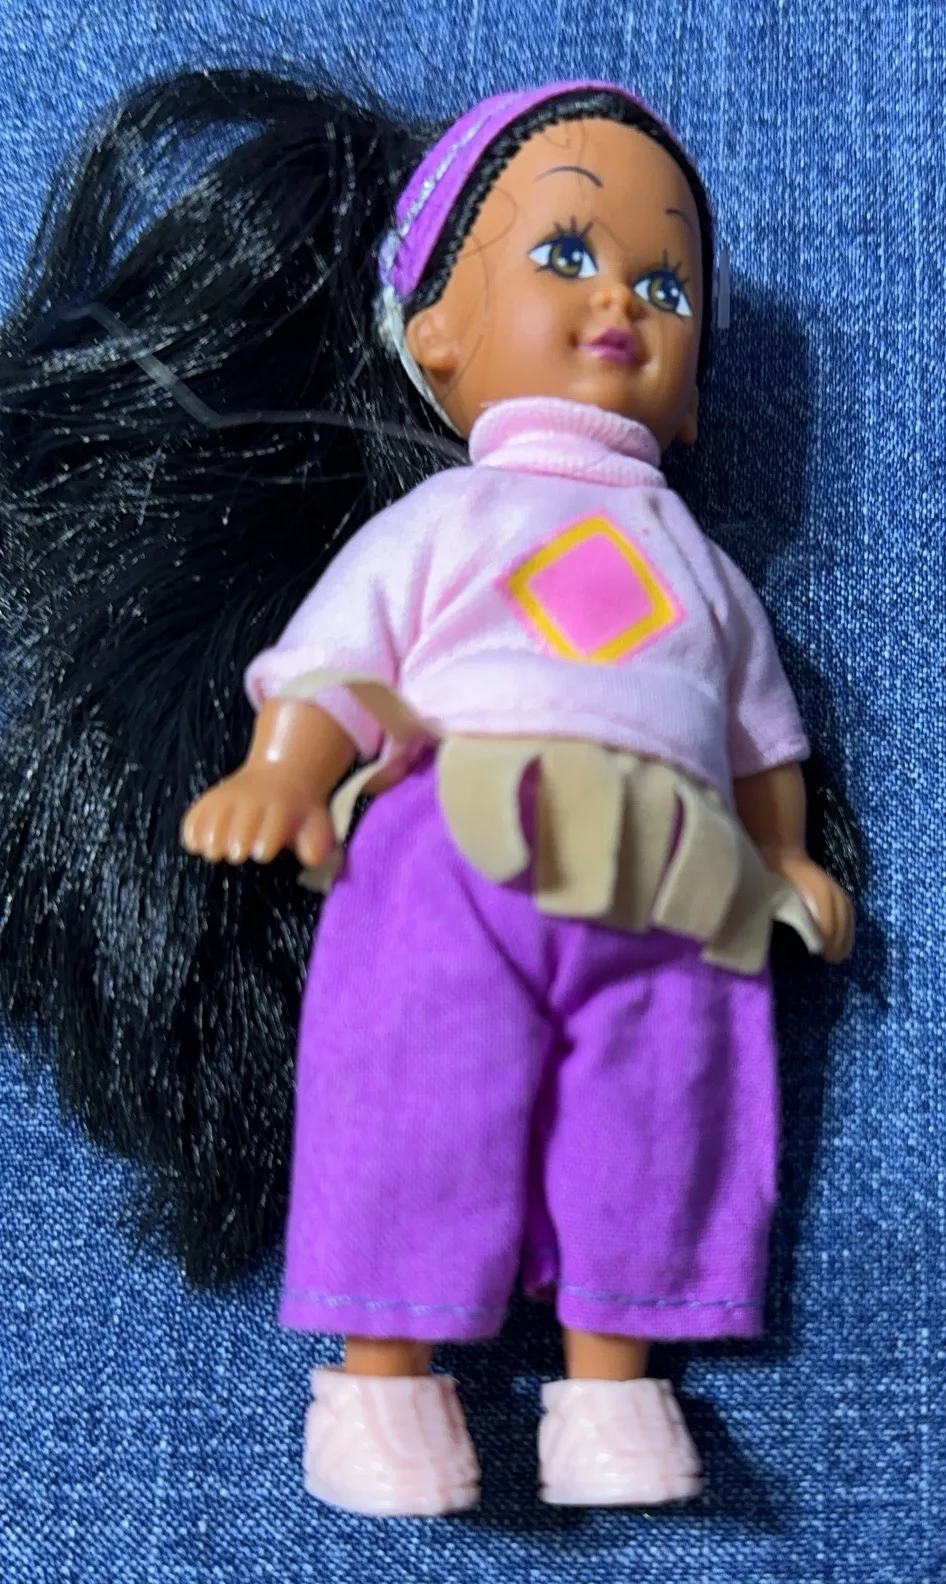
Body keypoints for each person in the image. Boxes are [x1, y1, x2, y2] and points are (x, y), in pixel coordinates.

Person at [178, 83, 854, 1517]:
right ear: (436, 335)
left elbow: (758, 738)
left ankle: (614, 1385)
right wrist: (285, 767)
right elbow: (344, 657)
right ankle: (383, 1380)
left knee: (668, 1109)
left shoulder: (704, 570)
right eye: (565, 255)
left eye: (666, 288)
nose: (619, 300)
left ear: (691, 393)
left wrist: (786, 854)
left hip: (675, 871)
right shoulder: (445, 518)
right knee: (414, 1081)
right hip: (456, 841)